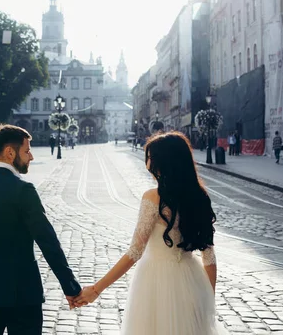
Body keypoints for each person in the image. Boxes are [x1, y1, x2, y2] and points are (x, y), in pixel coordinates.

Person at [74, 131, 222, 334]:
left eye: (151, 157)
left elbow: (134, 253)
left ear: (163, 162)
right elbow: (209, 257)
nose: (148, 162)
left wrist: (96, 289)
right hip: (192, 281)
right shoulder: (199, 196)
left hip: (156, 282)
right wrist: (207, 299)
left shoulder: (153, 198)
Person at [0, 124, 82, 334]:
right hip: (22, 295)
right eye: (27, 151)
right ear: (9, 152)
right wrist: (70, 287)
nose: (31, 157)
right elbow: (48, 242)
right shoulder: (23, 190)